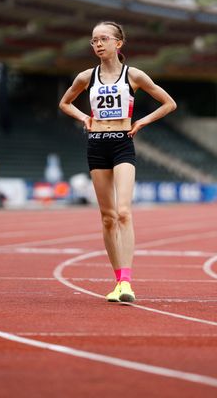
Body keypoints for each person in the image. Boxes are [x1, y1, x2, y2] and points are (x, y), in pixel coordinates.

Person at [59, 21, 177, 303]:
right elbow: (65, 103)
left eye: (103, 39)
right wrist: (84, 118)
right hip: (97, 145)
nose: (97, 44)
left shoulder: (133, 75)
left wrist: (142, 122)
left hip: (123, 143)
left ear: (118, 43)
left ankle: (126, 282)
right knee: (108, 217)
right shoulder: (86, 77)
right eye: (93, 41)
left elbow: (168, 103)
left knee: (124, 211)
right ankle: (116, 281)